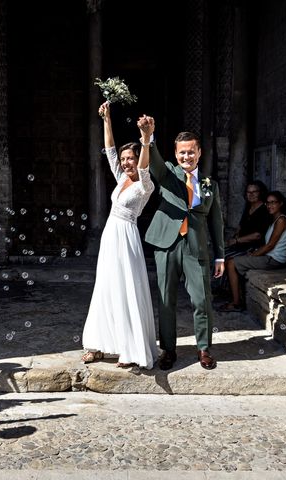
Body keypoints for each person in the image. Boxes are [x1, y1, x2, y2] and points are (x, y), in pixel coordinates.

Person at [139, 115, 224, 371]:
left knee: (202, 300)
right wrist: (147, 136)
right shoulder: (167, 175)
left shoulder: (210, 185)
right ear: (176, 155)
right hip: (167, 245)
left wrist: (220, 255)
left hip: (196, 247)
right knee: (166, 300)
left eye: (191, 152)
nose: (187, 157)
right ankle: (168, 350)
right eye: (182, 153)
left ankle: (204, 349)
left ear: (199, 152)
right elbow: (153, 161)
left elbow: (216, 222)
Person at [81, 102, 158, 369]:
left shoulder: (144, 186)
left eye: (131, 158)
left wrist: (146, 139)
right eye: (125, 159)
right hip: (110, 237)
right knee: (105, 287)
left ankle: (130, 348)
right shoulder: (120, 177)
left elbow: (146, 167)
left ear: (139, 159)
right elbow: (110, 150)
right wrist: (106, 118)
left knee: (127, 289)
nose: (126, 162)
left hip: (127, 239)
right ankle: (99, 343)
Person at [221, 191, 286, 312]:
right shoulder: (274, 220)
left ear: (281, 204)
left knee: (231, 263)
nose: (270, 206)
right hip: (269, 257)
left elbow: (270, 245)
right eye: (268, 203)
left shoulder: (282, 220)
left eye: (273, 202)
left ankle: (237, 303)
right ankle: (236, 296)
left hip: (274, 260)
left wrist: (253, 255)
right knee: (232, 259)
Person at [225, 180, 271, 259]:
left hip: (253, 247)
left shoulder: (264, 210)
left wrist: (237, 240)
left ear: (260, 193)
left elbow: (258, 235)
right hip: (240, 244)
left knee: (224, 259)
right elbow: (240, 225)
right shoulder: (248, 207)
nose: (251, 194)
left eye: (254, 192)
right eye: (248, 192)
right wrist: (235, 237)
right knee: (218, 255)